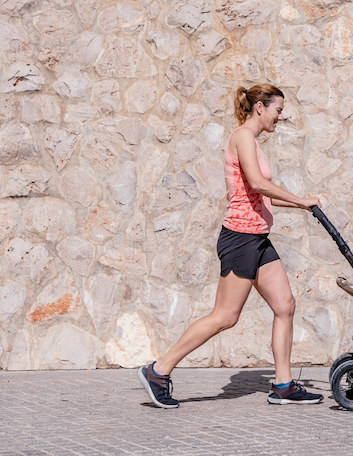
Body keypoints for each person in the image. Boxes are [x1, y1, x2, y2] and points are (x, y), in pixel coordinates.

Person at [138, 84, 324, 408]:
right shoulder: (242, 137)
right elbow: (256, 183)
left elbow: (263, 196)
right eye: (278, 110)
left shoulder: (254, 144)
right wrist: (301, 198)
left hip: (258, 238)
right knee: (225, 316)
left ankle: (283, 385)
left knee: (285, 305)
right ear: (260, 108)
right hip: (240, 238)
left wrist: (304, 206)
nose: (281, 117)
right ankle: (158, 370)